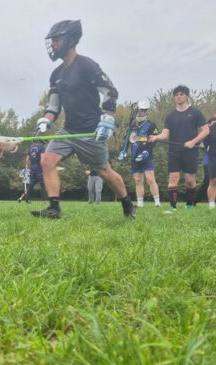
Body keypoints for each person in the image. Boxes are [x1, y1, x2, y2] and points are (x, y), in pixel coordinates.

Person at [32, 19, 135, 219]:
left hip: (91, 131)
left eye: (56, 39)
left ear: (70, 40)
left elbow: (109, 91)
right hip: (68, 130)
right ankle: (54, 209)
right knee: (47, 160)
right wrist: (46, 119)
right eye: (51, 40)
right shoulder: (56, 75)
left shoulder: (87, 65)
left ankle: (127, 203)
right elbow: (53, 106)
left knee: (104, 171)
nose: (52, 44)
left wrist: (107, 118)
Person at [149, 85, 209, 213]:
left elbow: (206, 130)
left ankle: (189, 205)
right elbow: (165, 134)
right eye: (176, 95)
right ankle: (173, 207)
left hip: (190, 151)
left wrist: (193, 142)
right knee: (173, 179)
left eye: (181, 94)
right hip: (174, 152)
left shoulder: (195, 113)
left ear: (187, 96)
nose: (179, 96)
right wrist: (155, 137)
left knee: (190, 180)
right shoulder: (170, 116)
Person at [118, 101, 161, 207]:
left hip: (146, 156)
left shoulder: (151, 125)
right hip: (134, 156)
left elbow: (154, 140)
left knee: (150, 179)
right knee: (138, 180)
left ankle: (157, 202)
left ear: (146, 112)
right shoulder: (132, 125)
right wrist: (123, 151)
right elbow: (128, 139)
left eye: (142, 111)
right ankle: (140, 203)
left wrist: (147, 151)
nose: (140, 113)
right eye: (139, 111)